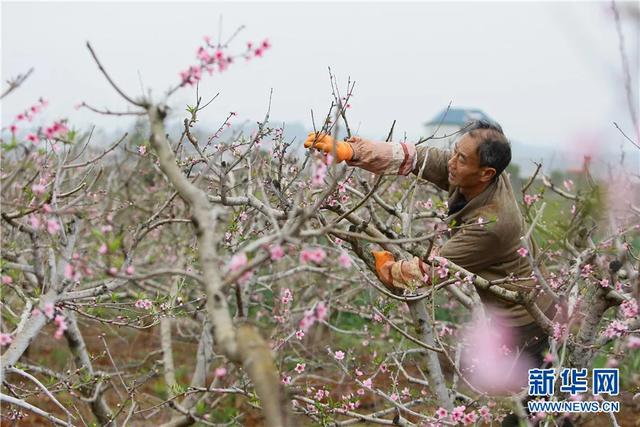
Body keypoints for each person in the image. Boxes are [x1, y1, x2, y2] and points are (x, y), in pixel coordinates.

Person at [304, 120, 557, 425]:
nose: (451, 162)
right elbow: (411, 157)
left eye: (461, 159)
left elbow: (427, 272)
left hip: (528, 324)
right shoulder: (470, 174)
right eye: (455, 152)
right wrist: (352, 151)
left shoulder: (492, 224)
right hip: (518, 311)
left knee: (525, 412)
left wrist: (386, 266)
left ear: (486, 173)